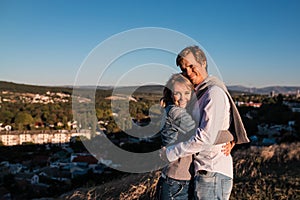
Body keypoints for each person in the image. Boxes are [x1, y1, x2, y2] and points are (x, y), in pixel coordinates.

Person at [163, 46, 250, 200]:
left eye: (191, 66)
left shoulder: (213, 93)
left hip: (212, 171)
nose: (188, 72)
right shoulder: (198, 94)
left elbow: (204, 137)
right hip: (203, 171)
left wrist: (170, 153)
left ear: (203, 62)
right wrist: (228, 136)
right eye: (184, 69)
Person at [156, 73, 235, 200]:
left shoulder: (182, 110)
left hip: (181, 179)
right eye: (177, 93)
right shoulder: (176, 112)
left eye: (186, 93)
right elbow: (205, 135)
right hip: (175, 181)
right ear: (170, 93)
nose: (182, 98)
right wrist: (231, 136)